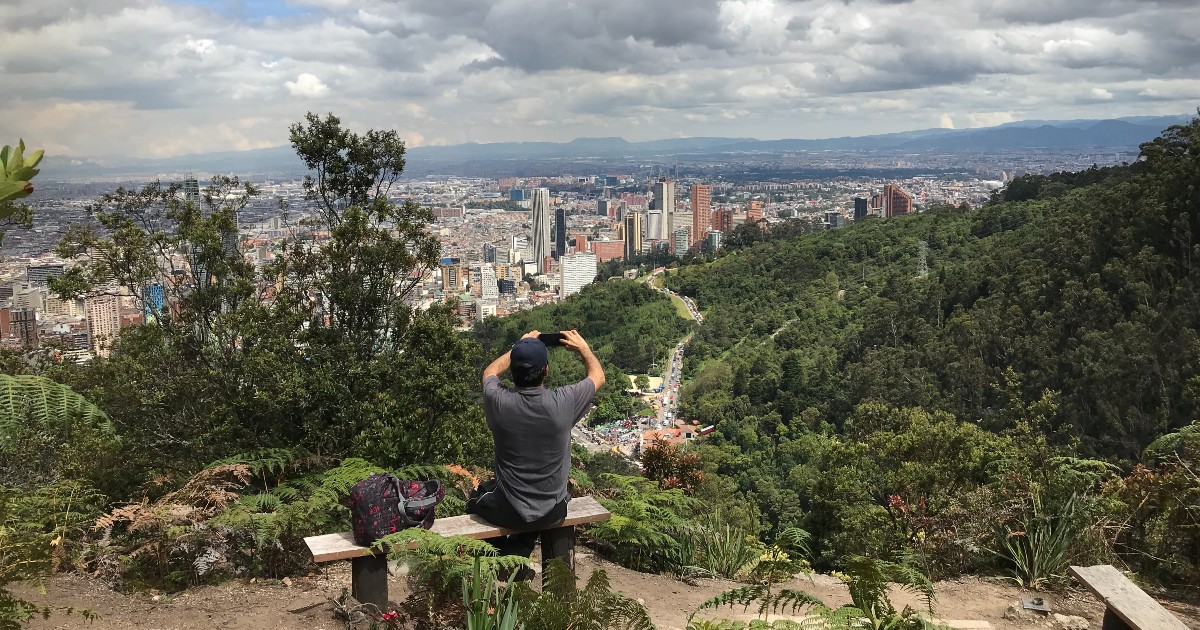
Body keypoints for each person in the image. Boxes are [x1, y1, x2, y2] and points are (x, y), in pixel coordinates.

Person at [468, 329, 605, 573]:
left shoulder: (498, 400)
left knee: (475, 499)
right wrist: (584, 349)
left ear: (512, 370)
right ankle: (517, 558)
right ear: (546, 371)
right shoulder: (564, 402)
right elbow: (598, 376)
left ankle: (501, 561)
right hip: (553, 511)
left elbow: (489, 372)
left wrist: (518, 348)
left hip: (509, 510)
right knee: (537, 505)